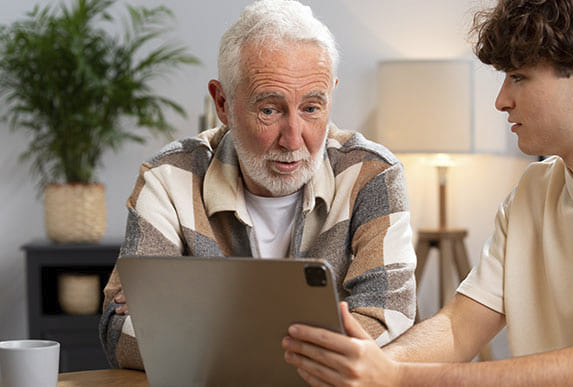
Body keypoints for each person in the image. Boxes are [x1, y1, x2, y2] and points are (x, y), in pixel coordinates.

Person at [282, 0, 573, 385]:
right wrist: (363, 366)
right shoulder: (534, 189)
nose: (501, 100)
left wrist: (396, 378)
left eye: (518, 78)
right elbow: (460, 326)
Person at [99, 0, 417, 370]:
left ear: (331, 94)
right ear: (223, 102)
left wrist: (191, 323)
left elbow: (387, 320)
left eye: (312, 108)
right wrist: (310, 347)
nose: (294, 140)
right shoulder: (168, 176)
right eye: (270, 110)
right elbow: (120, 330)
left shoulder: (372, 174)